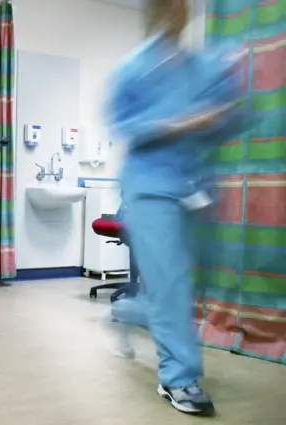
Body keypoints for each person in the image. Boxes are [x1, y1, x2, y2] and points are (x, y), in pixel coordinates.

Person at [105, 0, 243, 416]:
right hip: (149, 187)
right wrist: (177, 124)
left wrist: (226, 109)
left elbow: (235, 118)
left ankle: (124, 311)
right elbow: (122, 124)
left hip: (194, 186)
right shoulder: (133, 67)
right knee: (171, 285)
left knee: (185, 285)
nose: (180, 7)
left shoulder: (204, 66)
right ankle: (178, 378)